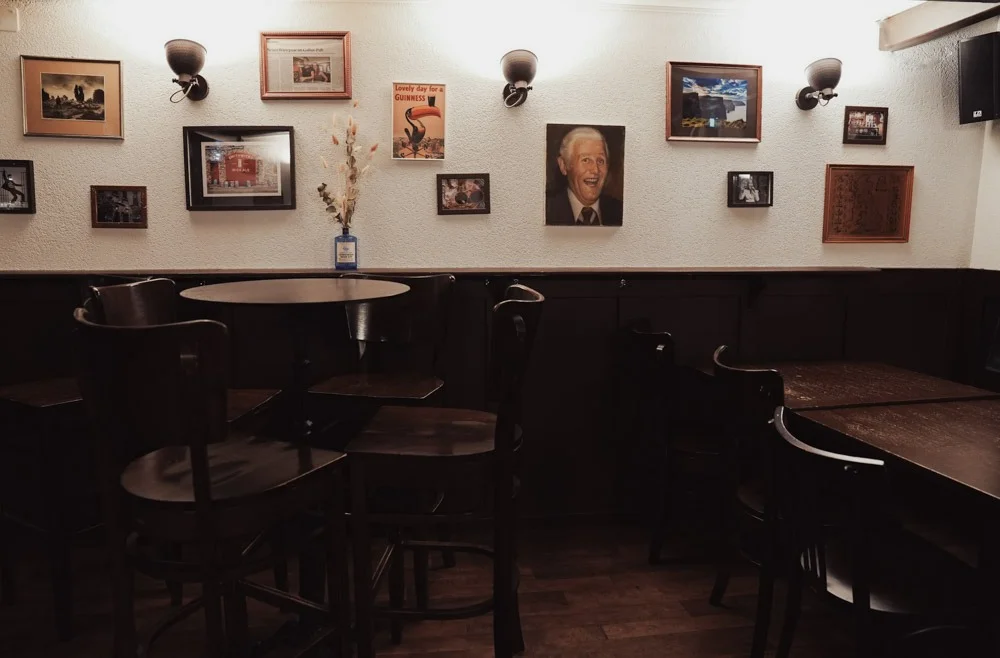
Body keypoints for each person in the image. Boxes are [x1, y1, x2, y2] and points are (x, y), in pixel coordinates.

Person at [545, 126, 623, 226]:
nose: (595, 170)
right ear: (564, 165)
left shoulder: (619, 211)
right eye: (586, 160)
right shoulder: (546, 211)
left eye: (600, 161)